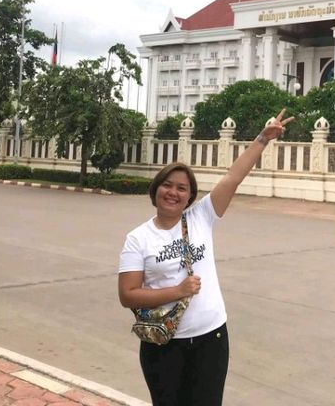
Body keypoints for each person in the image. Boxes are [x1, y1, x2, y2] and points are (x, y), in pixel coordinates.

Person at [118, 109, 293, 406]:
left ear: (189, 196)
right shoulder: (138, 238)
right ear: (156, 189)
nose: (173, 192)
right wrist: (177, 291)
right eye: (167, 185)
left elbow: (233, 177)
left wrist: (263, 138)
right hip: (163, 345)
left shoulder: (201, 217)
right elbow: (128, 295)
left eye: (181, 188)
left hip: (211, 339)